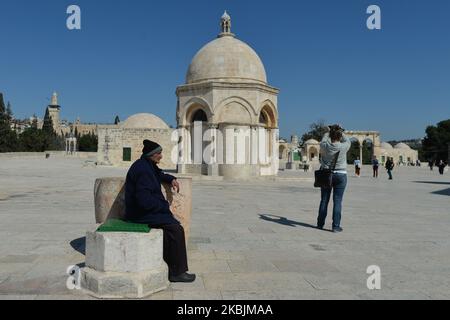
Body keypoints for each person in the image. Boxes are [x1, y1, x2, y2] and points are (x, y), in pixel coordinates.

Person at [125, 140, 196, 283]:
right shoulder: (143, 170)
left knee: (172, 225)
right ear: (151, 155)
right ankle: (177, 272)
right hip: (139, 214)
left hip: (144, 211)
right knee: (176, 229)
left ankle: (171, 266)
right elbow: (143, 201)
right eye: (159, 153)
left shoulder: (147, 165)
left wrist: (171, 179)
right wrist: (163, 207)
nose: (161, 156)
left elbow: (159, 174)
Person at [316, 124, 351, 233]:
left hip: (326, 175)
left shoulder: (325, 145)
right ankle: (336, 226)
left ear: (330, 136)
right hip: (341, 175)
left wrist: (329, 131)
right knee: (337, 201)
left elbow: (323, 139)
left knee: (324, 200)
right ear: (340, 136)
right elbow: (347, 140)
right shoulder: (344, 146)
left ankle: (320, 224)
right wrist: (340, 130)